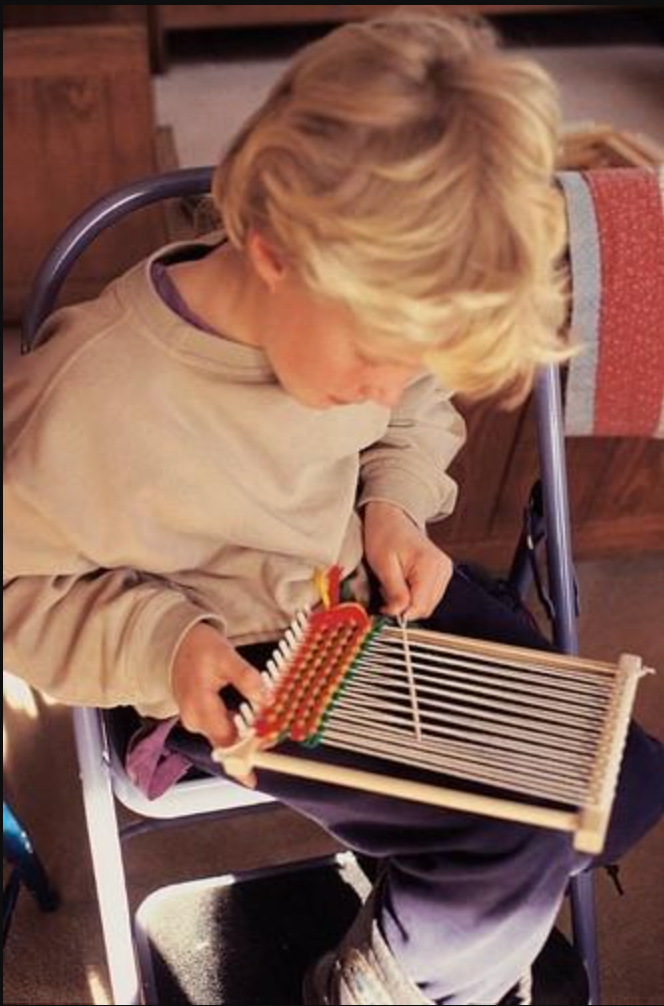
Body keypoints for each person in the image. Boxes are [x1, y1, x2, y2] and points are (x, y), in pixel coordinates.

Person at [4, 9, 662, 1005]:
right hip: (236, 674)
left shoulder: (360, 330)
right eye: (371, 361)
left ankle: (449, 924)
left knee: (628, 781)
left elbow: (415, 403)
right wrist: (164, 643)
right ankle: (365, 984)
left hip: (360, 599)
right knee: (517, 840)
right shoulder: (89, 406)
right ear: (273, 249)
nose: (384, 388)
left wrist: (392, 506)